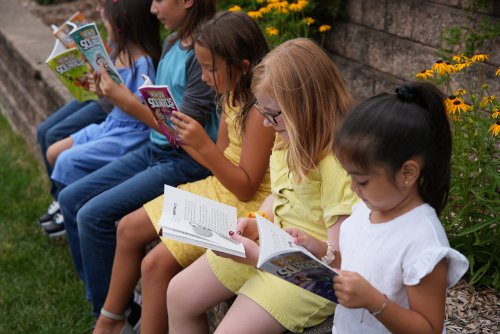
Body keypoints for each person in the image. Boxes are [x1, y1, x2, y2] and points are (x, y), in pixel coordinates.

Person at [93, 12, 275, 334]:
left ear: (243, 67)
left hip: (246, 205)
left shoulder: (261, 112)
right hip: (220, 186)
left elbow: (246, 187)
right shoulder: (230, 92)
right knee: (128, 227)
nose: (204, 78)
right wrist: (179, 133)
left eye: (210, 68)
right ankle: (110, 319)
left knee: (154, 264)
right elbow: (219, 157)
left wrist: (201, 145)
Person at [167, 38, 359, 333]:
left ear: (305, 106)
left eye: (272, 114)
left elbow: (340, 257)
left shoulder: (336, 162)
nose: (267, 125)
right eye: (263, 113)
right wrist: (259, 221)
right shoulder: (287, 136)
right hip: (273, 246)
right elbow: (279, 195)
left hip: (309, 274)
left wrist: (260, 254)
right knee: (178, 294)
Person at [57, 0, 217, 321]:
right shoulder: (173, 41)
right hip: (153, 150)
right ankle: (104, 299)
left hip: (182, 161)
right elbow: (160, 109)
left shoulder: (204, 56)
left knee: (93, 216)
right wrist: (117, 93)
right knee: (71, 198)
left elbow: (185, 135)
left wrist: (128, 102)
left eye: (159, 0)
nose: (153, 8)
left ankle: (113, 317)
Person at [288, 82, 469, 333]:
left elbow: (428, 328)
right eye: (349, 176)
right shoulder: (368, 209)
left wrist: (374, 301)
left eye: (362, 180)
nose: (352, 188)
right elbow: (362, 261)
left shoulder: (422, 241)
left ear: (407, 173)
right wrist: (317, 248)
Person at [41, 0, 161, 237]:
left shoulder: (144, 64)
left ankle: (72, 212)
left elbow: (141, 109)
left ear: (121, 26)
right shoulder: (119, 55)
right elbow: (115, 98)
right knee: (53, 152)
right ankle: (68, 206)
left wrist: (114, 94)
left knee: (66, 160)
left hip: (129, 132)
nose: (103, 24)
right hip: (112, 124)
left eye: (106, 23)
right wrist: (97, 88)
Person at [36, 0, 112, 228]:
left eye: (103, 7)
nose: (99, 11)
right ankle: (58, 198)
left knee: (53, 135)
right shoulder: (114, 34)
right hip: (97, 94)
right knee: (43, 132)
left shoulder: (133, 36)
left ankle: (64, 203)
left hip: (109, 104)